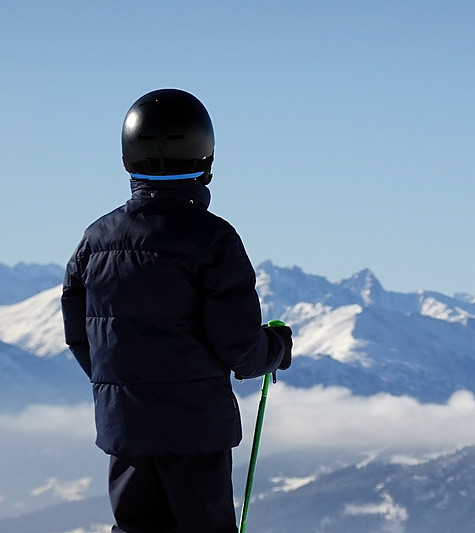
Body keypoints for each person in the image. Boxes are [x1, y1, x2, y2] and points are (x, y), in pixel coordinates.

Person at [61, 88, 292, 533]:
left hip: (126, 427)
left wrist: (123, 380)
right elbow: (239, 347)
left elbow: (82, 337)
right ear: (205, 158)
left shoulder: (95, 241)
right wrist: (276, 349)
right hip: (195, 431)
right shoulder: (213, 240)